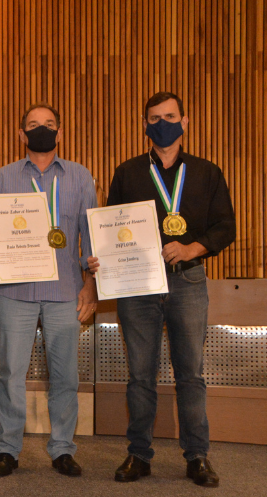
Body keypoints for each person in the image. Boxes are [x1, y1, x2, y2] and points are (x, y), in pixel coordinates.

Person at [106, 92, 235, 488]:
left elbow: (225, 226)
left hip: (189, 280)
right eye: (154, 117)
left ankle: (197, 457)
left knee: (190, 375)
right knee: (140, 376)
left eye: (170, 116)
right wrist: (102, 259)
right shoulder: (127, 173)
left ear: (185, 121)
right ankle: (139, 455)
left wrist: (192, 247)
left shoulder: (206, 172)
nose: (163, 122)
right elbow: (110, 227)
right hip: (138, 285)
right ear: (144, 125)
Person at [0, 104, 99, 478]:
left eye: (48, 125)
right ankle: (8, 449)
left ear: (60, 132)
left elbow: (90, 238)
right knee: (11, 373)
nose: (40, 130)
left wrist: (91, 287)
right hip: (16, 291)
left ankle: (62, 449)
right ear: (21, 134)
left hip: (65, 290)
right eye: (32, 125)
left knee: (65, 376)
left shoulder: (80, 176)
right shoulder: (4, 177)